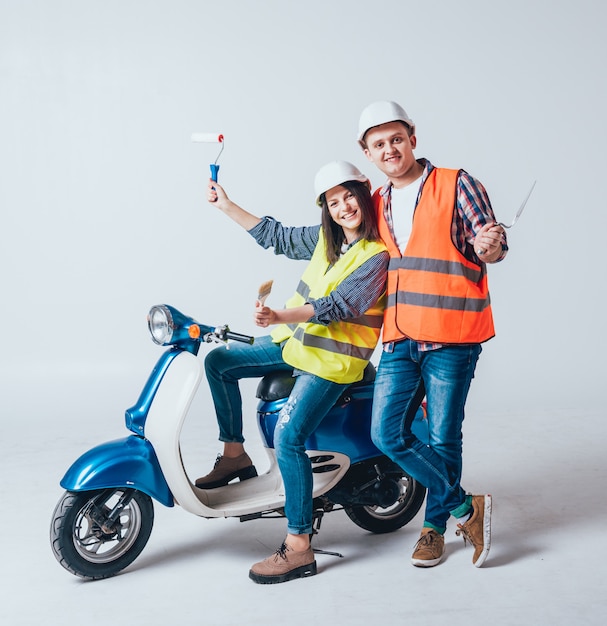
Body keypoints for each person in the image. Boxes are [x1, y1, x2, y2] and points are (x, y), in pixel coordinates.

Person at [196, 160, 389, 583]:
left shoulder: (377, 257)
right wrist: (226, 205)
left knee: (289, 437)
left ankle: (299, 546)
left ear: (364, 192)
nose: (343, 208)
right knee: (219, 362)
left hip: (334, 363)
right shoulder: (327, 239)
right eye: (333, 202)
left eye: (348, 196)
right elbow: (277, 237)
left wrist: (279, 315)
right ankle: (234, 457)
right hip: (297, 348)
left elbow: (339, 307)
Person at [357, 100, 507, 568]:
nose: (390, 149)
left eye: (396, 139)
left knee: (443, 438)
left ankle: (433, 529)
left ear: (413, 138)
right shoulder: (375, 202)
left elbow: (492, 243)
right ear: (367, 152)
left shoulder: (457, 183)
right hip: (400, 336)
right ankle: (466, 507)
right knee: (386, 433)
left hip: (452, 335)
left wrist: (491, 243)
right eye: (378, 144)